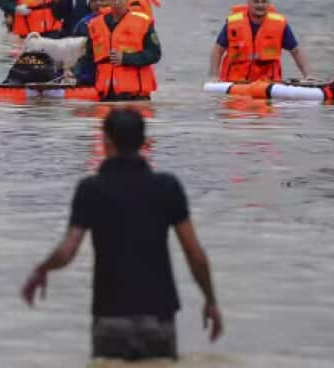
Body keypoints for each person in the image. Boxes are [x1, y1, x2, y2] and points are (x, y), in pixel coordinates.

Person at [21, 109, 222, 362]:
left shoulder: (91, 189)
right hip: (158, 317)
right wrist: (211, 300)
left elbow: (67, 251)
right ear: (144, 141)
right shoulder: (167, 187)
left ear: (106, 141)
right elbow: (195, 254)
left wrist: (41, 270)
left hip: (110, 318)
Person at [79, 0, 161, 100]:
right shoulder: (94, 25)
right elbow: (88, 57)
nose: (116, 2)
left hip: (135, 96)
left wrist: (125, 58)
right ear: (107, 0)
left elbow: (155, 54)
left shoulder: (143, 22)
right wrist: (78, 77)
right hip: (106, 94)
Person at [209, 0, 310, 81]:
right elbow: (217, 50)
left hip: (267, 83)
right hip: (234, 82)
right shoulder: (233, 23)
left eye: (264, 2)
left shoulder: (279, 25)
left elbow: (296, 51)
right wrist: (214, 76)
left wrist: (308, 76)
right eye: (256, 2)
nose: (260, 5)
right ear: (248, 3)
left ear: (269, 4)